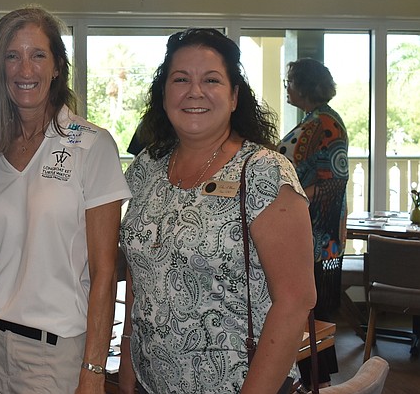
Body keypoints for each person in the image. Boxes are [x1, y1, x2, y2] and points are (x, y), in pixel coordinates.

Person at [117, 28, 317, 394]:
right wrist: (128, 354)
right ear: (164, 94)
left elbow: (295, 301)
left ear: (234, 96)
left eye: (211, 80)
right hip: (150, 383)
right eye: (181, 79)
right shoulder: (147, 166)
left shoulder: (263, 172)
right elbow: (139, 271)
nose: (195, 91)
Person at [0, 7, 131, 394]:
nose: (25, 69)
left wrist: (93, 369)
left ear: (57, 66)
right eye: (12, 56)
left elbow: (105, 273)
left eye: (38, 55)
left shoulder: (92, 146)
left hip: (54, 355)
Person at [279, 58, 349, 388]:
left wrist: (292, 202)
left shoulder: (326, 122)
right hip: (307, 231)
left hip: (318, 235)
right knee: (308, 311)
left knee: (312, 312)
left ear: (305, 86)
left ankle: (318, 383)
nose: (287, 87)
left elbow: (333, 180)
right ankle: (314, 381)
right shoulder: (313, 119)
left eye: (290, 82)